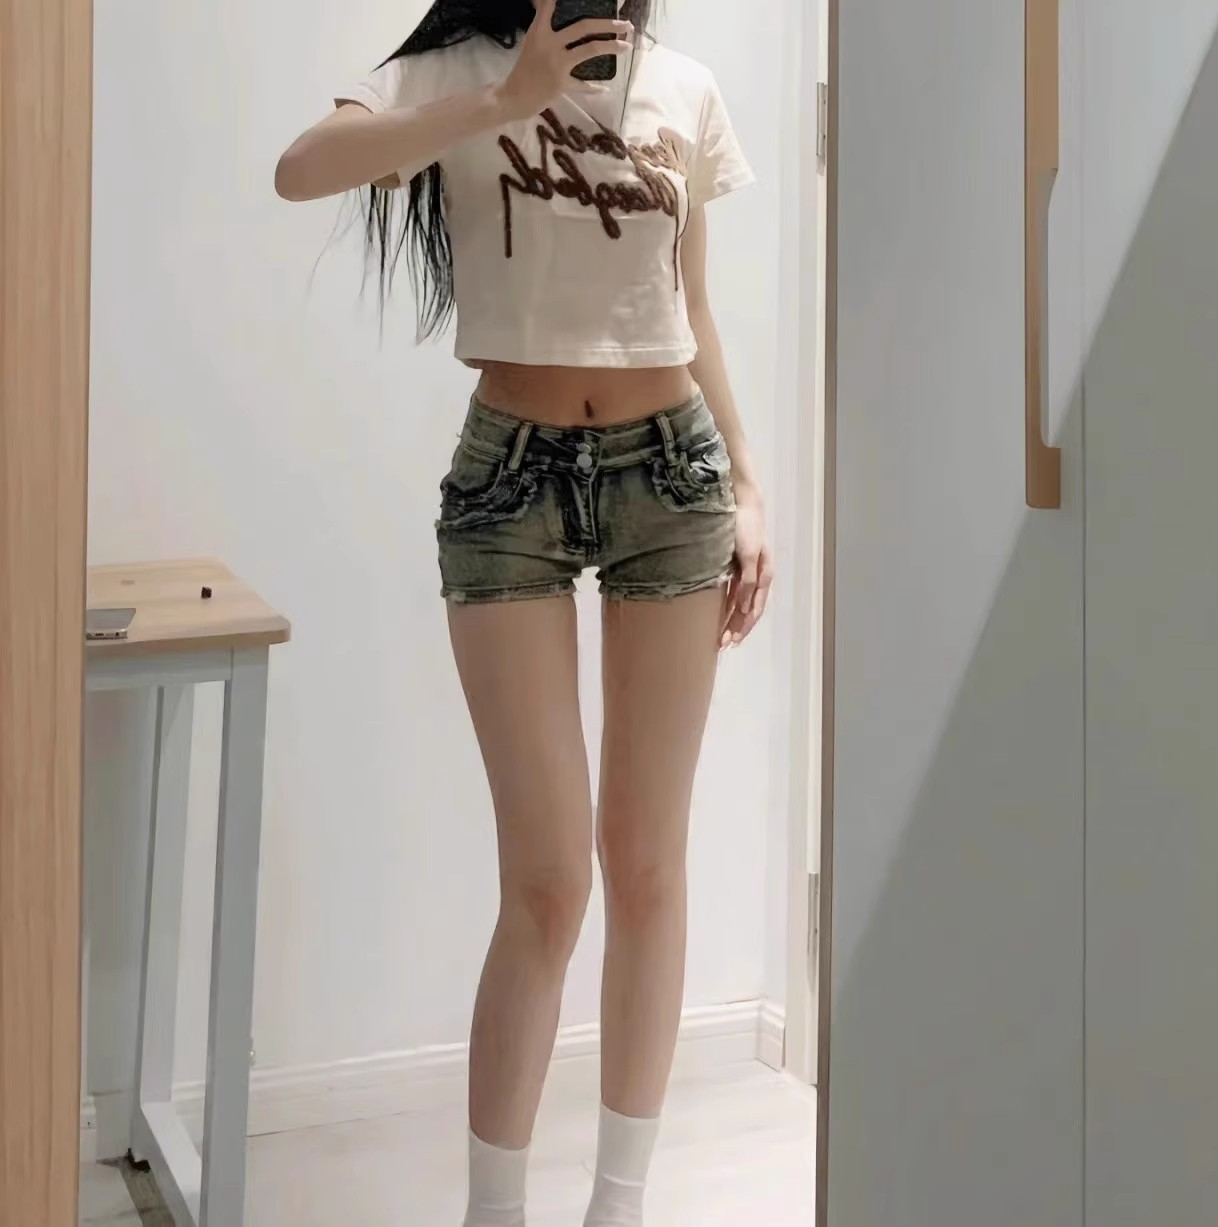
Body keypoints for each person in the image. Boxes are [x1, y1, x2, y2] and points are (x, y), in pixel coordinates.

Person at [275, 2, 771, 1222]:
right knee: (546, 883)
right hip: (510, 479)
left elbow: (691, 304)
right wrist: (504, 102)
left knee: (646, 865)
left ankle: (618, 1207)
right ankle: (493, 1212)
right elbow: (302, 170)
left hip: (673, 475)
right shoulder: (458, 70)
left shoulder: (684, 88)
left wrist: (749, 485)